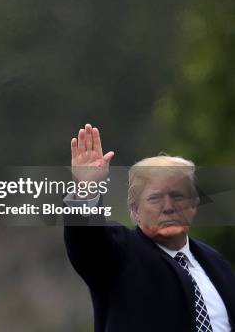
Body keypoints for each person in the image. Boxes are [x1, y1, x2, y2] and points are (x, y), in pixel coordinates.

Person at [64, 123, 235, 332]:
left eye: (178, 196)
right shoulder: (119, 254)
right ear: (135, 210)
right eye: (155, 199)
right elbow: (87, 243)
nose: (168, 207)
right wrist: (86, 189)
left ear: (193, 205)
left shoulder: (216, 262)